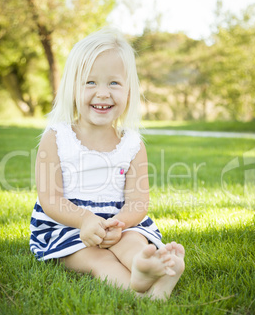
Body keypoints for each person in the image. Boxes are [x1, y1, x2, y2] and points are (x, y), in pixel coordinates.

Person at [30, 27, 185, 300]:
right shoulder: (57, 137)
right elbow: (50, 198)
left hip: (119, 225)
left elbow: (138, 201)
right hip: (69, 227)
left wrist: (120, 225)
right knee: (98, 261)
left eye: (114, 83)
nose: (103, 93)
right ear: (73, 88)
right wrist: (85, 220)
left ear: (129, 90)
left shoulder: (133, 144)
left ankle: (147, 267)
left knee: (134, 243)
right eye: (90, 83)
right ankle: (139, 291)